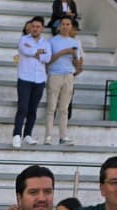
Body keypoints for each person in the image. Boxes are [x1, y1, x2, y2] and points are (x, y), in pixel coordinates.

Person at [12, 17, 50, 147]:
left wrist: (35, 53)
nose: (35, 29)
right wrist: (38, 52)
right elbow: (25, 50)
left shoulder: (46, 43)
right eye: (33, 26)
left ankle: (27, 134)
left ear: (42, 28)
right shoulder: (24, 39)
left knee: (33, 109)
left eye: (38, 27)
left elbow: (47, 57)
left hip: (39, 79)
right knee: (23, 107)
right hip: (25, 78)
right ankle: (17, 134)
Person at [44, 17, 82, 145]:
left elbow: (77, 64)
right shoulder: (52, 41)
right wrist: (64, 52)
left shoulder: (75, 42)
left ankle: (63, 136)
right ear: (59, 26)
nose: (65, 26)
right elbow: (48, 60)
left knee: (64, 109)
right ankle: (48, 136)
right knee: (51, 107)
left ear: (71, 27)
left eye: (68, 24)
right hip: (55, 74)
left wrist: (74, 56)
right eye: (63, 24)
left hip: (68, 75)